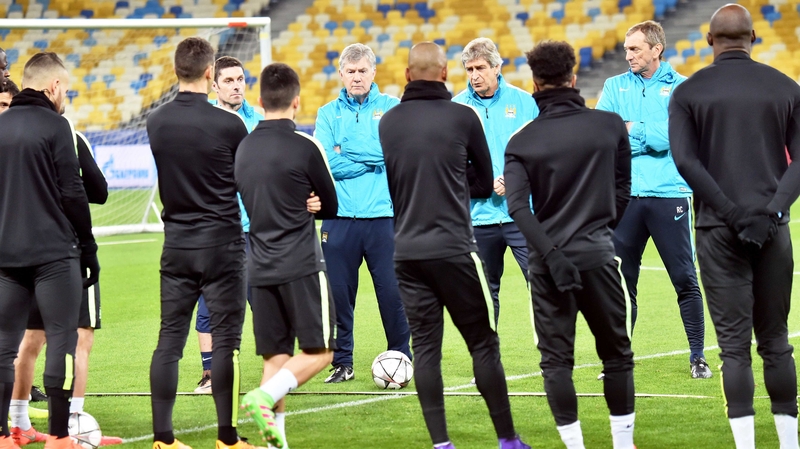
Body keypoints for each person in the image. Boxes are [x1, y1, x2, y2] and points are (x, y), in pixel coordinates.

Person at [378, 42, 529, 449]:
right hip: (455, 248)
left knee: (426, 349)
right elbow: (483, 181)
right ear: (446, 74)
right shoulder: (463, 117)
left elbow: (397, 184)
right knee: (483, 341)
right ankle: (507, 439)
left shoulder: (388, 122)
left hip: (407, 251)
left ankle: (441, 443)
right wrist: (453, 177)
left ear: (407, 74)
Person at [669, 4, 800, 448]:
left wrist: (729, 212)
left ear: (709, 41)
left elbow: (686, 161)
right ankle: (789, 443)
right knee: (777, 342)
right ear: (753, 38)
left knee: (733, 346)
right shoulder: (786, 87)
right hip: (772, 229)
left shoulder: (688, 92)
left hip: (716, 230)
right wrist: (772, 211)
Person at [504, 41, 635, 449]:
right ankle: (622, 442)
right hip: (598, 255)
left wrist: (553, 254)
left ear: (535, 83)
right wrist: (600, 228)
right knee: (616, 353)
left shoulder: (521, 140)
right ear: (573, 77)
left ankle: (574, 446)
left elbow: (517, 208)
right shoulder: (609, 125)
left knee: (557, 360)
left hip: (548, 265)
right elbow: (623, 188)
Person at [146, 37, 254, 449]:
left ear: (177, 71)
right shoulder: (230, 124)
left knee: (169, 340)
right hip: (223, 244)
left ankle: (163, 439)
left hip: (176, 243)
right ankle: (227, 438)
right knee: (226, 344)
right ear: (211, 74)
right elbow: (247, 180)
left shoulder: (156, 121)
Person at [4, 81, 122, 446]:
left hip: (6, 258)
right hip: (54, 255)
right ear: (54, 87)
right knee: (63, 342)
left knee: (5, 346)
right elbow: (77, 191)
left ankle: (6, 434)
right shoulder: (58, 126)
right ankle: (59, 436)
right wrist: (88, 249)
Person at [595, 20, 711, 379]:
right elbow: (605, 133)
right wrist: (649, 135)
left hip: (669, 196)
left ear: (656, 49)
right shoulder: (613, 86)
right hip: (625, 197)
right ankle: (616, 361)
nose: (628, 55)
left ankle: (697, 357)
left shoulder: (682, 89)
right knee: (619, 283)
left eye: (635, 49)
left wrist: (633, 131)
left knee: (684, 278)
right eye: (628, 49)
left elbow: (680, 139)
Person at [238, 62, 339, 449]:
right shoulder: (305, 145)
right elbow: (330, 204)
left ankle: (274, 442)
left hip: (258, 264)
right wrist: (311, 203)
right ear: (297, 101)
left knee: (275, 357)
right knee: (321, 352)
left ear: (260, 101)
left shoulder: (244, 147)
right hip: (300, 262)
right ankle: (262, 398)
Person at [313, 43, 411, 383]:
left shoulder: (393, 108)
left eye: (362, 71)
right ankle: (343, 363)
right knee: (339, 296)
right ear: (341, 74)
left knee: (393, 293)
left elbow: (396, 154)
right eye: (351, 72)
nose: (357, 77)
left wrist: (348, 149)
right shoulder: (327, 113)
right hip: (339, 219)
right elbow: (327, 162)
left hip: (384, 217)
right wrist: (373, 156)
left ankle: (401, 357)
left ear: (373, 72)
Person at [452, 37, 539, 326]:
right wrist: (481, 179)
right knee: (484, 297)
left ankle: (554, 362)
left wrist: (515, 178)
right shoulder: (457, 108)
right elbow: (449, 164)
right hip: (477, 218)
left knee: (543, 286)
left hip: (521, 214)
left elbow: (541, 154)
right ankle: (487, 366)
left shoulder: (525, 103)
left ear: (497, 67)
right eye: (469, 69)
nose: (474, 75)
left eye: (480, 68)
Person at [192, 55, 264, 395]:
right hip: (217, 230)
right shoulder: (203, 120)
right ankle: (210, 374)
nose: (237, 86)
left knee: (266, 304)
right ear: (214, 84)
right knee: (208, 306)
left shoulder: (259, 120)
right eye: (230, 80)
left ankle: (274, 372)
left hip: (258, 230)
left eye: (241, 79)